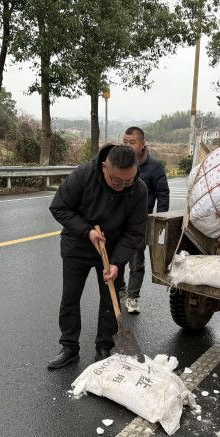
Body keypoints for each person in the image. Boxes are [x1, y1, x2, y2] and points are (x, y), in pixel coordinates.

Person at [47, 144, 148, 369]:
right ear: (104, 167)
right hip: (78, 244)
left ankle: (104, 347)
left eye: (128, 180)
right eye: (117, 181)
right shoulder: (84, 175)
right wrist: (88, 231)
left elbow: (135, 232)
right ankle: (69, 347)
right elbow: (59, 207)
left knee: (110, 302)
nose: (123, 186)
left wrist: (116, 262)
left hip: (113, 250)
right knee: (70, 298)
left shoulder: (139, 189)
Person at [116, 126, 170, 314]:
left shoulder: (154, 166)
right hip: (117, 221)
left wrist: (160, 219)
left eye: (132, 142)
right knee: (117, 259)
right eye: (125, 142)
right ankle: (120, 290)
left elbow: (163, 193)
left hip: (140, 222)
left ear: (142, 144)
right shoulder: (119, 161)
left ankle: (133, 297)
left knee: (136, 262)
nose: (128, 146)